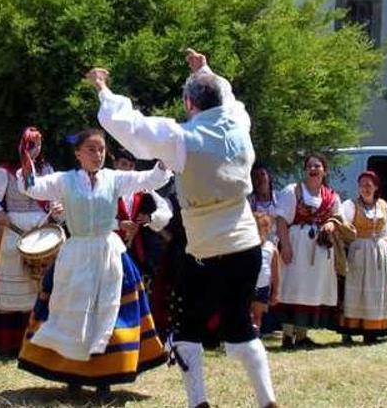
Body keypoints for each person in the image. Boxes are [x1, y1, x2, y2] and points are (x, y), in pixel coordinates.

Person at [92, 49, 277, 408]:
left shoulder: (181, 138)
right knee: (239, 325)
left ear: (189, 104)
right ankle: (267, 401)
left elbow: (132, 128)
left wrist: (104, 89)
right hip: (247, 246)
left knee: (187, 330)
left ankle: (198, 404)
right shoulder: (240, 123)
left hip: (207, 250)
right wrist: (205, 70)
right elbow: (229, 99)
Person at [15, 129, 171, 395]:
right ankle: (72, 377)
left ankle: (105, 379)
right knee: (71, 312)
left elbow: (150, 178)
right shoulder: (64, 180)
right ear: (78, 154)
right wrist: (28, 158)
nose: (97, 154)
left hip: (108, 252)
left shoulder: (114, 178)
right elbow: (32, 187)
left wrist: (166, 153)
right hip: (75, 253)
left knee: (108, 313)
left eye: (100, 149)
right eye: (91, 149)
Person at [0, 127, 54, 353]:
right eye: (31, 144)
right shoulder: (7, 172)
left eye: (38, 144)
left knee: (40, 285)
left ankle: (40, 342)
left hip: (43, 232)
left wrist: (57, 208)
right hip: (13, 232)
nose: (35, 149)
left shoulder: (47, 169)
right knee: (16, 286)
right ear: (22, 145)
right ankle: (12, 343)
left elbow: (54, 198)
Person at [272, 154, 352, 349]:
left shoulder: (331, 196)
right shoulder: (293, 191)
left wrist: (331, 225)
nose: (313, 169)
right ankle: (287, 336)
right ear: (304, 170)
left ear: (325, 170)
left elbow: (339, 218)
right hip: (297, 244)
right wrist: (286, 246)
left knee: (311, 289)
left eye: (317, 166)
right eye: (309, 166)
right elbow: (281, 220)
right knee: (293, 286)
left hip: (320, 248)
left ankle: (301, 335)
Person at [337, 171, 387, 344]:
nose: (365, 188)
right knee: (356, 289)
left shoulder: (383, 205)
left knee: (376, 290)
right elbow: (343, 226)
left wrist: (385, 244)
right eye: (362, 185)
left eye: (369, 185)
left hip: (379, 251)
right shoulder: (351, 205)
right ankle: (349, 329)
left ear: (376, 187)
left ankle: (372, 329)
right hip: (359, 251)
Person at [112, 148, 173, 277]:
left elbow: (165, 210)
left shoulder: (141, 188)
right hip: (109, 247)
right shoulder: (105, 186)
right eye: (124, 164)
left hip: (135, 249)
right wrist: (118, 224)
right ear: (115, 164)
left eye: (131, 166)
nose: (128, 169)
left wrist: (150, 218)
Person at [252, 213, 280, 335]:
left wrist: (275, 292)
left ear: (267, 229)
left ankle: (255, 338)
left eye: (261, 229)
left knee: (257, 316)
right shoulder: (247, 247)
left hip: (263, 287)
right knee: (246, 315)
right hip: (247, 286)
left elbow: (275, 274)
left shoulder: (271, 248)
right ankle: (244, 340)